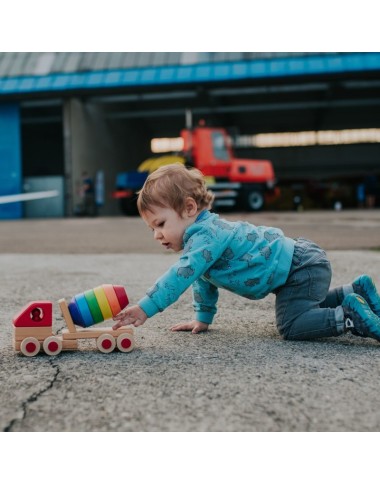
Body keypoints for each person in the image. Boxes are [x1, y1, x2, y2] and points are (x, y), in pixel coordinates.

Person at [113, 164, 380, 342]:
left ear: (190, 208)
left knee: (292, 325)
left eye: (160, 224)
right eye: (151, 229)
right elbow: (201, 281)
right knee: (303, 307)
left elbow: (180, 275)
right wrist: (202, 318)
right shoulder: (202, 241)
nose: (157, 234)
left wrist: (146, 308)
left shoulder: (207, 236)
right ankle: (355, 291)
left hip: (300, 270)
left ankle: (350, 316)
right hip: (298, 269)